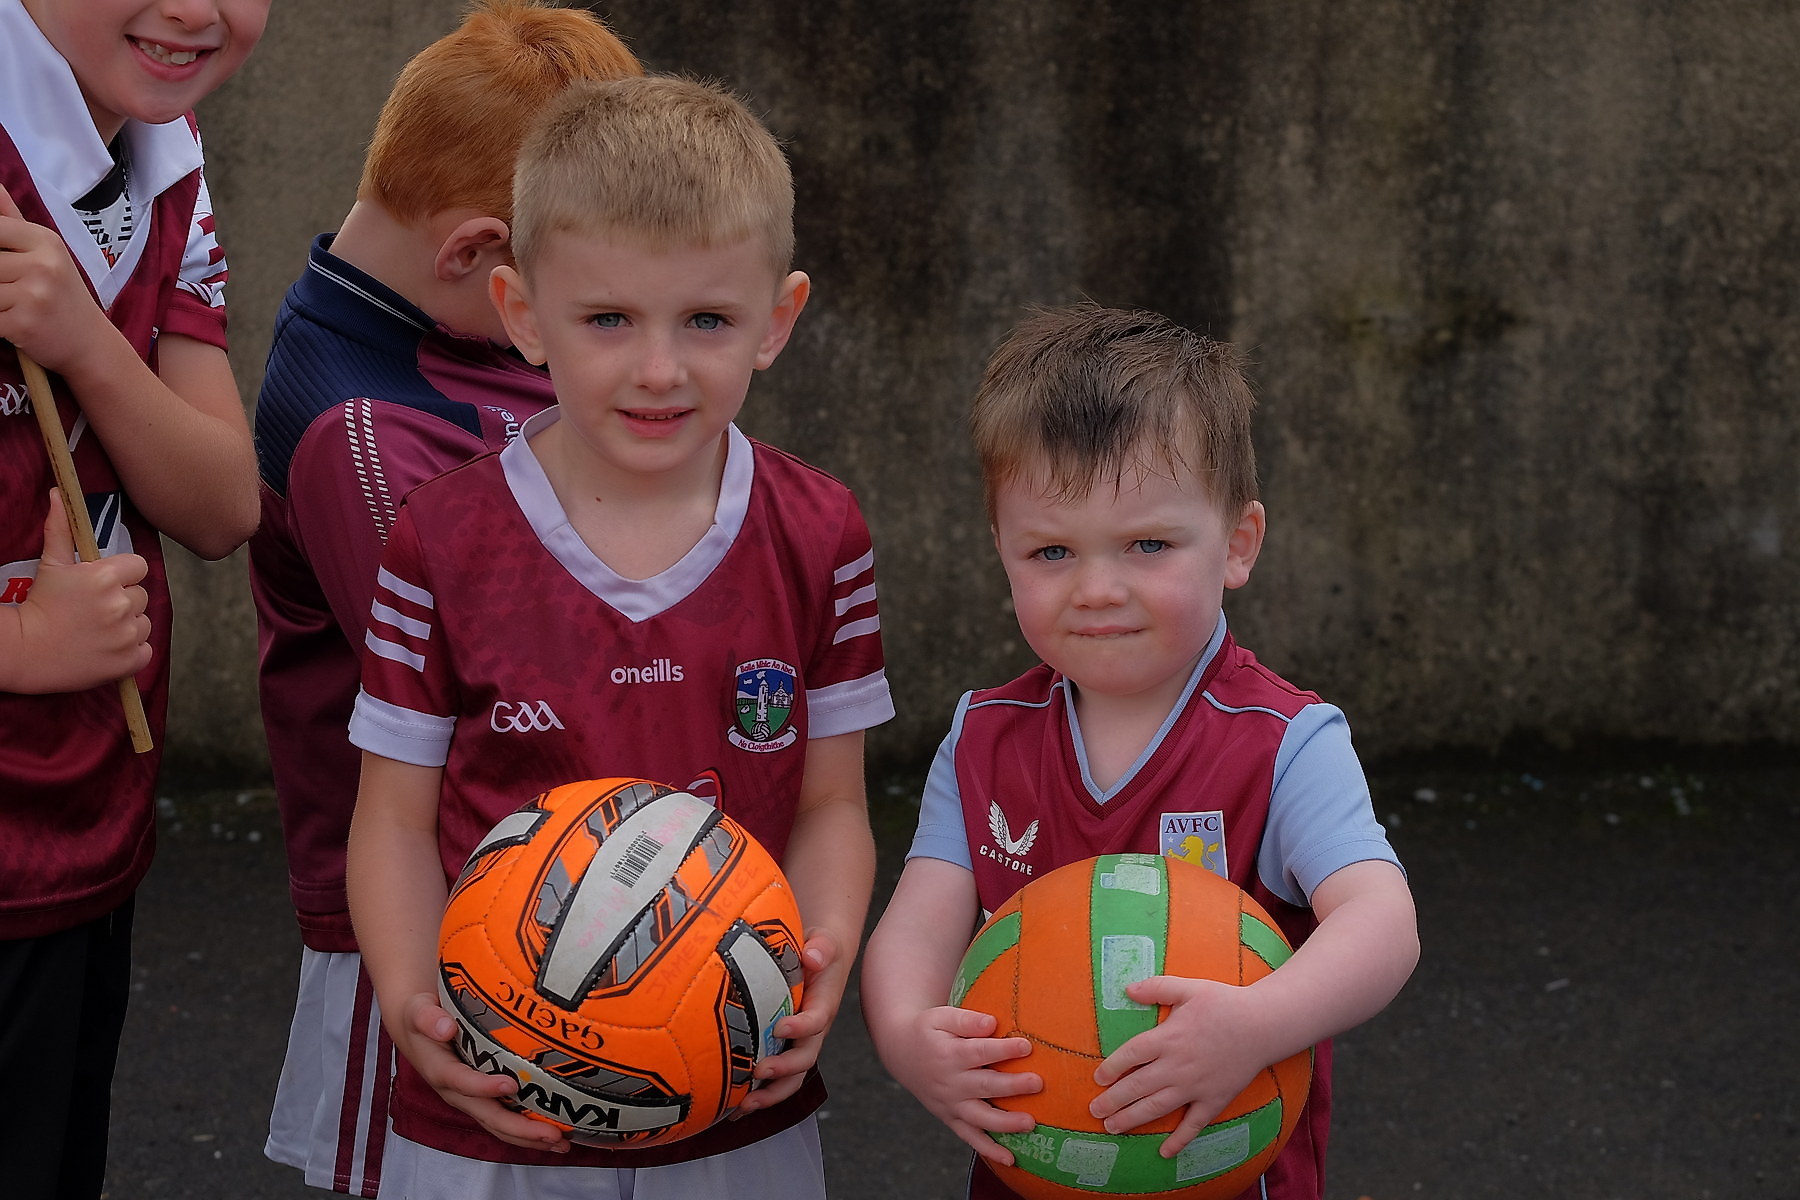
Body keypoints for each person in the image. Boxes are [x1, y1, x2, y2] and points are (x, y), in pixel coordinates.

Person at [344, 74, 893, 1198]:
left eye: (706, 319)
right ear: (521, 314)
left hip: (730, 1096)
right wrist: (414, 1005)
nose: (658, 368)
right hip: (497, 1105)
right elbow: (394, 820)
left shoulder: (820, 531)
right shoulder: (443, 540)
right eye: (608, 319)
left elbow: (835, 802)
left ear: (776, 321)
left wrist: (819, 958)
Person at [861, 304, 1420, 1200]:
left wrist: (1253, 1023)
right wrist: (904, 1031)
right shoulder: (982, 736)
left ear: (1237, 543)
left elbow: (1384, 924)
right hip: (1034, 1170)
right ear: (1001, 553)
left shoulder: (1284, 743)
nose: (1097, 588)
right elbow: (917, 924)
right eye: (1051, 551)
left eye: (1148, 544)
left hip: (1222, 1172)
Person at [248, 5, 642, 1193]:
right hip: (430, 947)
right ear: (478, 254)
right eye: (588, 300)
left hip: (567, 905)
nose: (588, 340)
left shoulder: (454, 335)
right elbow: (501, 698)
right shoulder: (360, 433)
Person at [0, 1, 266, 1195]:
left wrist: (87, 345)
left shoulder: (161, 137)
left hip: (85, 822)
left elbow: (220, 505)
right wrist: (16, 645)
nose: (193, 9)